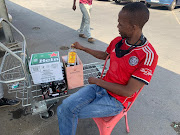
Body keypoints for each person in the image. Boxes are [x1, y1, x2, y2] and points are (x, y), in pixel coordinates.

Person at [57, 2, 158, 135]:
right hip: (100, 87)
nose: (117, 26)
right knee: (64, 108)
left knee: (67, 111)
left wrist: (98, 81)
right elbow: (105, 55)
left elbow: (128, 92)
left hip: (116, 101)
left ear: (133, 27)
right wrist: (83, 48)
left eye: (121, 24)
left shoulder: (148, 55)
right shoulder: (118, 41)